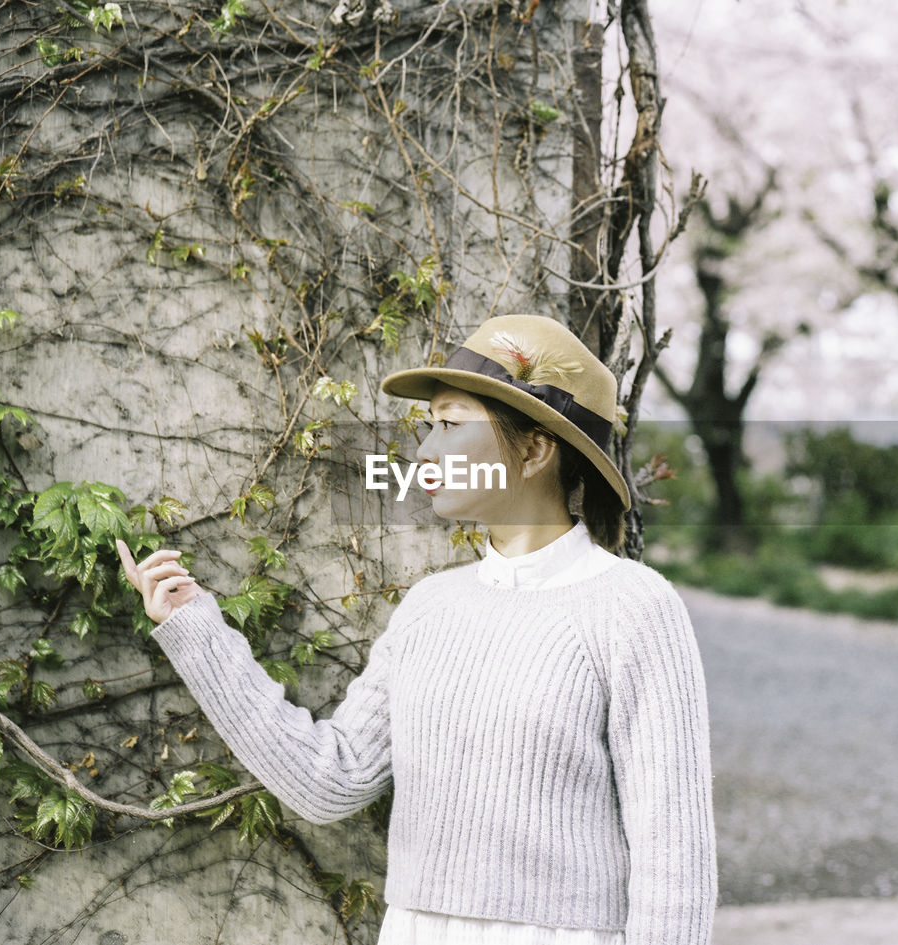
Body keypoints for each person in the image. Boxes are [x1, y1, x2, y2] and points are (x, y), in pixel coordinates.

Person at [116, 313, 717, 945]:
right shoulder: (431, 606)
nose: (426, 451)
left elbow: (674, 856)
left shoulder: (633, 606)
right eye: (429, 426)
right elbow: (330, 779)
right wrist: (194, 628)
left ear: (536, 450)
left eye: (452, 425)